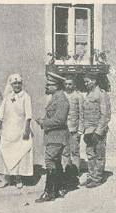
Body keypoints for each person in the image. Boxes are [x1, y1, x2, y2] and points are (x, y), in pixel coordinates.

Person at [35, 72, 69, 203]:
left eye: (49, 84)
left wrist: (44, 123)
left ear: (57, 86)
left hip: (57, 137)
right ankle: (59, 189)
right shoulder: (55, 97)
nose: (47, 86)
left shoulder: (61, 99)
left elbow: (60, 120)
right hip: (54, 136)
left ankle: (48, 192)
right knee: (56, 162)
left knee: (50, 161)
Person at [0, 74, 33, 189]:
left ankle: (18, 178)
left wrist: (26, 130)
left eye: (19, 83)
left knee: (19, 154)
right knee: (6, 153)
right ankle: (6, 178)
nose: (17, 85)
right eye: (14, 83)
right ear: (11, 85)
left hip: (21, 129)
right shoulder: (7, 96)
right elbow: (1, 112)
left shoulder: (26, 96)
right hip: (8, 130)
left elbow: (28, 115)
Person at [81, 73, 111, 188]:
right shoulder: (88, 94)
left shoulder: (102, 94)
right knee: (90, 154)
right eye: (85, 82)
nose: (85, 84)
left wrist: (98, 132)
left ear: (94, 81)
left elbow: (105, 115)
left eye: (87, 81)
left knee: (99, 155)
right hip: (88, 130)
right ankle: (91, 176)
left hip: (98, 131)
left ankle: (97, 178)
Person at [62, 76, 84, 189]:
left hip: (74, 130)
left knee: (75, 152)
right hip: (63, 129)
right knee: (65, 153)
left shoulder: (78, 96)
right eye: (66, 84)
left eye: (70, 84)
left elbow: (81, 114)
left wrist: (80, 130)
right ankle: (67, 173)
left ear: (74, 85)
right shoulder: (62, 95)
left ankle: (75, 174)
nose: (68, 86)